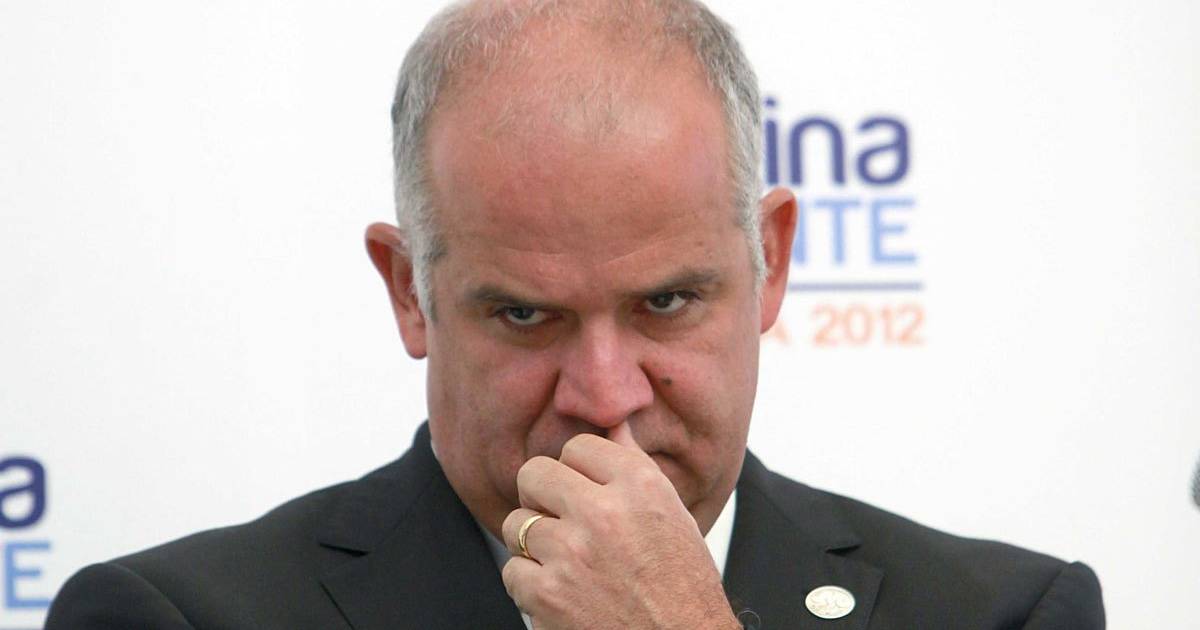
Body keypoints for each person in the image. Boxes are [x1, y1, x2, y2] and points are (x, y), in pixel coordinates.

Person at [46, 0, 1106, 628]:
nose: (604, 398)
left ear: (771, 261)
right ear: (409, 291)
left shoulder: (1004, 614)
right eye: (524, 315)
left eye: (667, 303)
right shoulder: (175, 618)